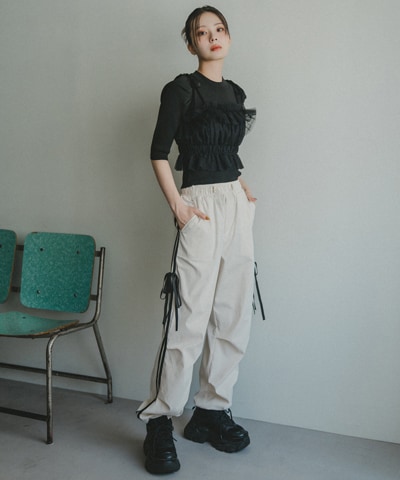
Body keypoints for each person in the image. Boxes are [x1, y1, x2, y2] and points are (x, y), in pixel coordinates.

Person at [137, 5, 257, 475]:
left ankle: (210, 409)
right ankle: (160, 419)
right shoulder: (181, 89)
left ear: (229, 36)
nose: (212, 37)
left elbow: (226, 151)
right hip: (199, 205)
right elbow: (158, 152)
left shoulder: (235, 92)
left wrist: (242, 189)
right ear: (191, 44)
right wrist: (179, 207)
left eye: (219, 29)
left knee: (233, 314)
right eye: (201, 32)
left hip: (234, 203)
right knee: (187, 319)